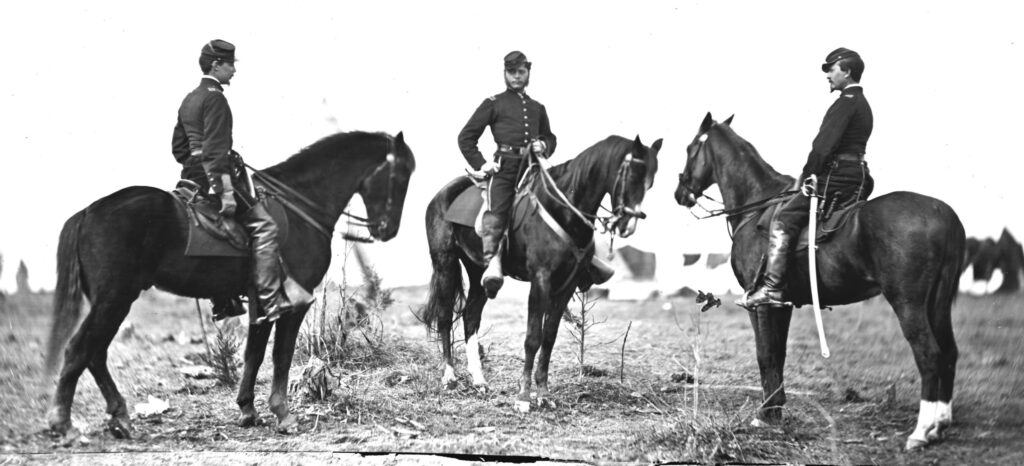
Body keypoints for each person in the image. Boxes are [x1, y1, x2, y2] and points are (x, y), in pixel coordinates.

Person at [171, 39, 312, 323]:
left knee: (222, 233)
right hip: (215, 178)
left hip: (191, 178)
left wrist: (196, 164)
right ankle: (271, 301)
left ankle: (224, 298)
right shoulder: (215, 98)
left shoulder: (190, 99)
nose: (234, 70)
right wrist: (224, 191)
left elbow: (179, 148)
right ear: (216, 65)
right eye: (230, 65)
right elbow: (215, 151)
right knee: (265, 227)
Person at [738, 47, 875, 309]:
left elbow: (823, 147)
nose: (828, 76)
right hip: (856, 174)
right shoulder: (862, 103)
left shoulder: (845, 103)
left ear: (846, 71)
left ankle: (771, 288)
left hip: (836, 177)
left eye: (831, 70)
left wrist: (810, 174)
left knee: (784, 218)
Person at [457, 51, 557, 298]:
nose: (516, 77)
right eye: (512, 72)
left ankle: (581, 261)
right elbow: (466, 137)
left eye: (521, 72)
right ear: (505, 73)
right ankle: (493, 262)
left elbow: (550, 137)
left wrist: (544, 145)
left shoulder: (537, 108)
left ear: (528, 73)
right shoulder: (493, 103)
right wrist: (482, 164)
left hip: (533, 168)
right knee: (497, 210)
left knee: (560, 200)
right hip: (505, 168)